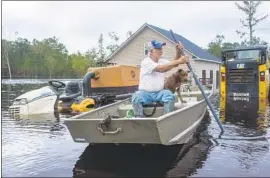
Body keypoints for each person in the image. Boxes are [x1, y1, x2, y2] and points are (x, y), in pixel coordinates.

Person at [132, 40, 190, 117]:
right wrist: (179, 60)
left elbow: (174, 64)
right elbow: (161, 69)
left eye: (161, 49)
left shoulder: (162, 61)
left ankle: (166, 118)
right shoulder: (145, 62)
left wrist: (178, 52)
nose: (161, 51)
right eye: (158, 49)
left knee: (169, 95)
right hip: (145, 94)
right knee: (136, 97)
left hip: (159, 93)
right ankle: (139, 119)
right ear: (151, 51)